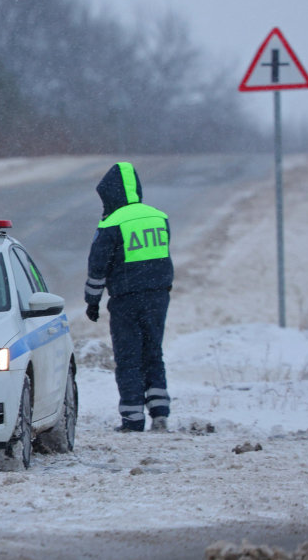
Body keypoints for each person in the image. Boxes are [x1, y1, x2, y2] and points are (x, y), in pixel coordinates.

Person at [84, 162, 174, 433]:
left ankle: (132, 418)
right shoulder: (159, 216)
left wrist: (92, 300)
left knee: (128, 357)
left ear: (112, 193)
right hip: (158, 296)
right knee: (153, 352)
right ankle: (159, 413)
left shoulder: (112, 223)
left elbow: (98, 266)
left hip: (126, 299)